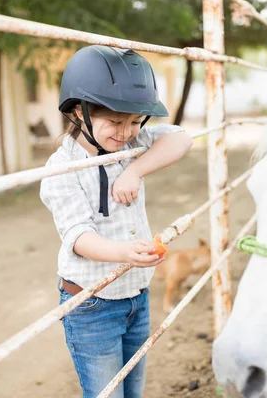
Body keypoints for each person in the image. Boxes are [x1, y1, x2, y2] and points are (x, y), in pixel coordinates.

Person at [40, 45, 193, 398]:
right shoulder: (62, 168)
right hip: (93, 305)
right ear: (80, 112)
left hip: (135, 297)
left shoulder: (132, 144)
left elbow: (183, 138)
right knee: (107, 393)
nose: (126, 132)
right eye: (115, 121)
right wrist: (125, 252)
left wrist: (135, 169)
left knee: (133, 390)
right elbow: (78, 237)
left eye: (135, 122)